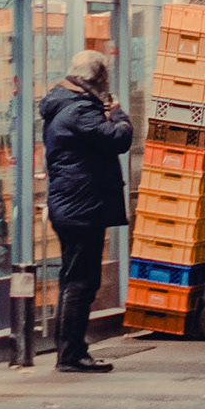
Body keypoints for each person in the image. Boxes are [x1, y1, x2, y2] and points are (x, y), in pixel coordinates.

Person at [39, 50, 132, 373]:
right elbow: (119, 139)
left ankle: (71, 350)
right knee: (81, 281)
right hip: (81, 207)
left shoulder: (64, 105)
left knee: (74, 279)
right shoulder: (79, 110)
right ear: (96, 78)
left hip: (74, 205)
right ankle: (71, 354)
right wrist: (118, 113)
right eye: (105, 78)